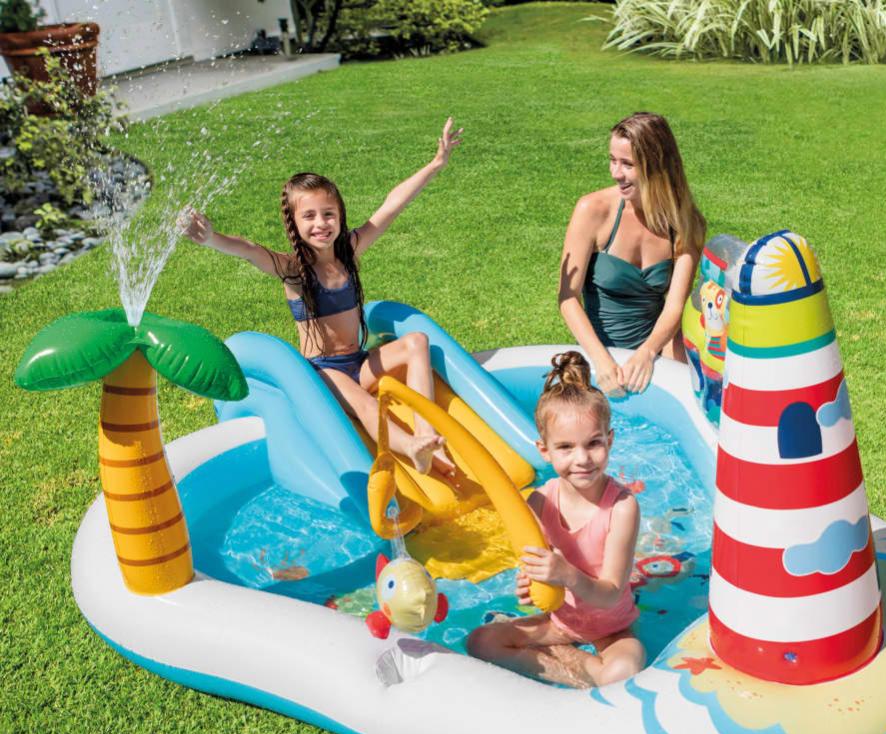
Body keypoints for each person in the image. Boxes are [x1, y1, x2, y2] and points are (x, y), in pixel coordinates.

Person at [178, 118, 464, 476]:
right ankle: (409, 448)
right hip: (323, 373)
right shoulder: (294, 270)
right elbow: (249, 250)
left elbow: (391, 206)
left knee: (417, 341)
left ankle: (426, 434)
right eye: (309, 216)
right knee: (362, 403)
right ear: (294, 223)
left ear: (340, 216)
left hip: (359, 362)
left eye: (329, 214)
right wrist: (211, 239)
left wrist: (435, 164)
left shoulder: (349, 252)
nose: (321, 223)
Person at [467, 352, 645, 688]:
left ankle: (576, 668)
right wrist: (529, 583)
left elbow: (610, 594)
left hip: (613, 629)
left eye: (594, 443)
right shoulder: (539, 502)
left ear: (610, 440)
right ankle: (586, 672)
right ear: (544, 451)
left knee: (625, 670)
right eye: (565, 447)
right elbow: (537, 569)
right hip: (560, 624)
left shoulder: (622, 507)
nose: (582, 459)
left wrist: (567, 575)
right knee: (480, 641)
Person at [559, 111, 706, 397]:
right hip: (601, 351)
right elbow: (568, 298)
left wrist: (648, 352)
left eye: (627, 164)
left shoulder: (685, 224)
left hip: (656, 346)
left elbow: (674, 306)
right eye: (613, 160)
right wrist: (601, 359)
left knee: (679, 367)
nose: (616, 173)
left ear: (657, 166)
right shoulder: (594, 211)